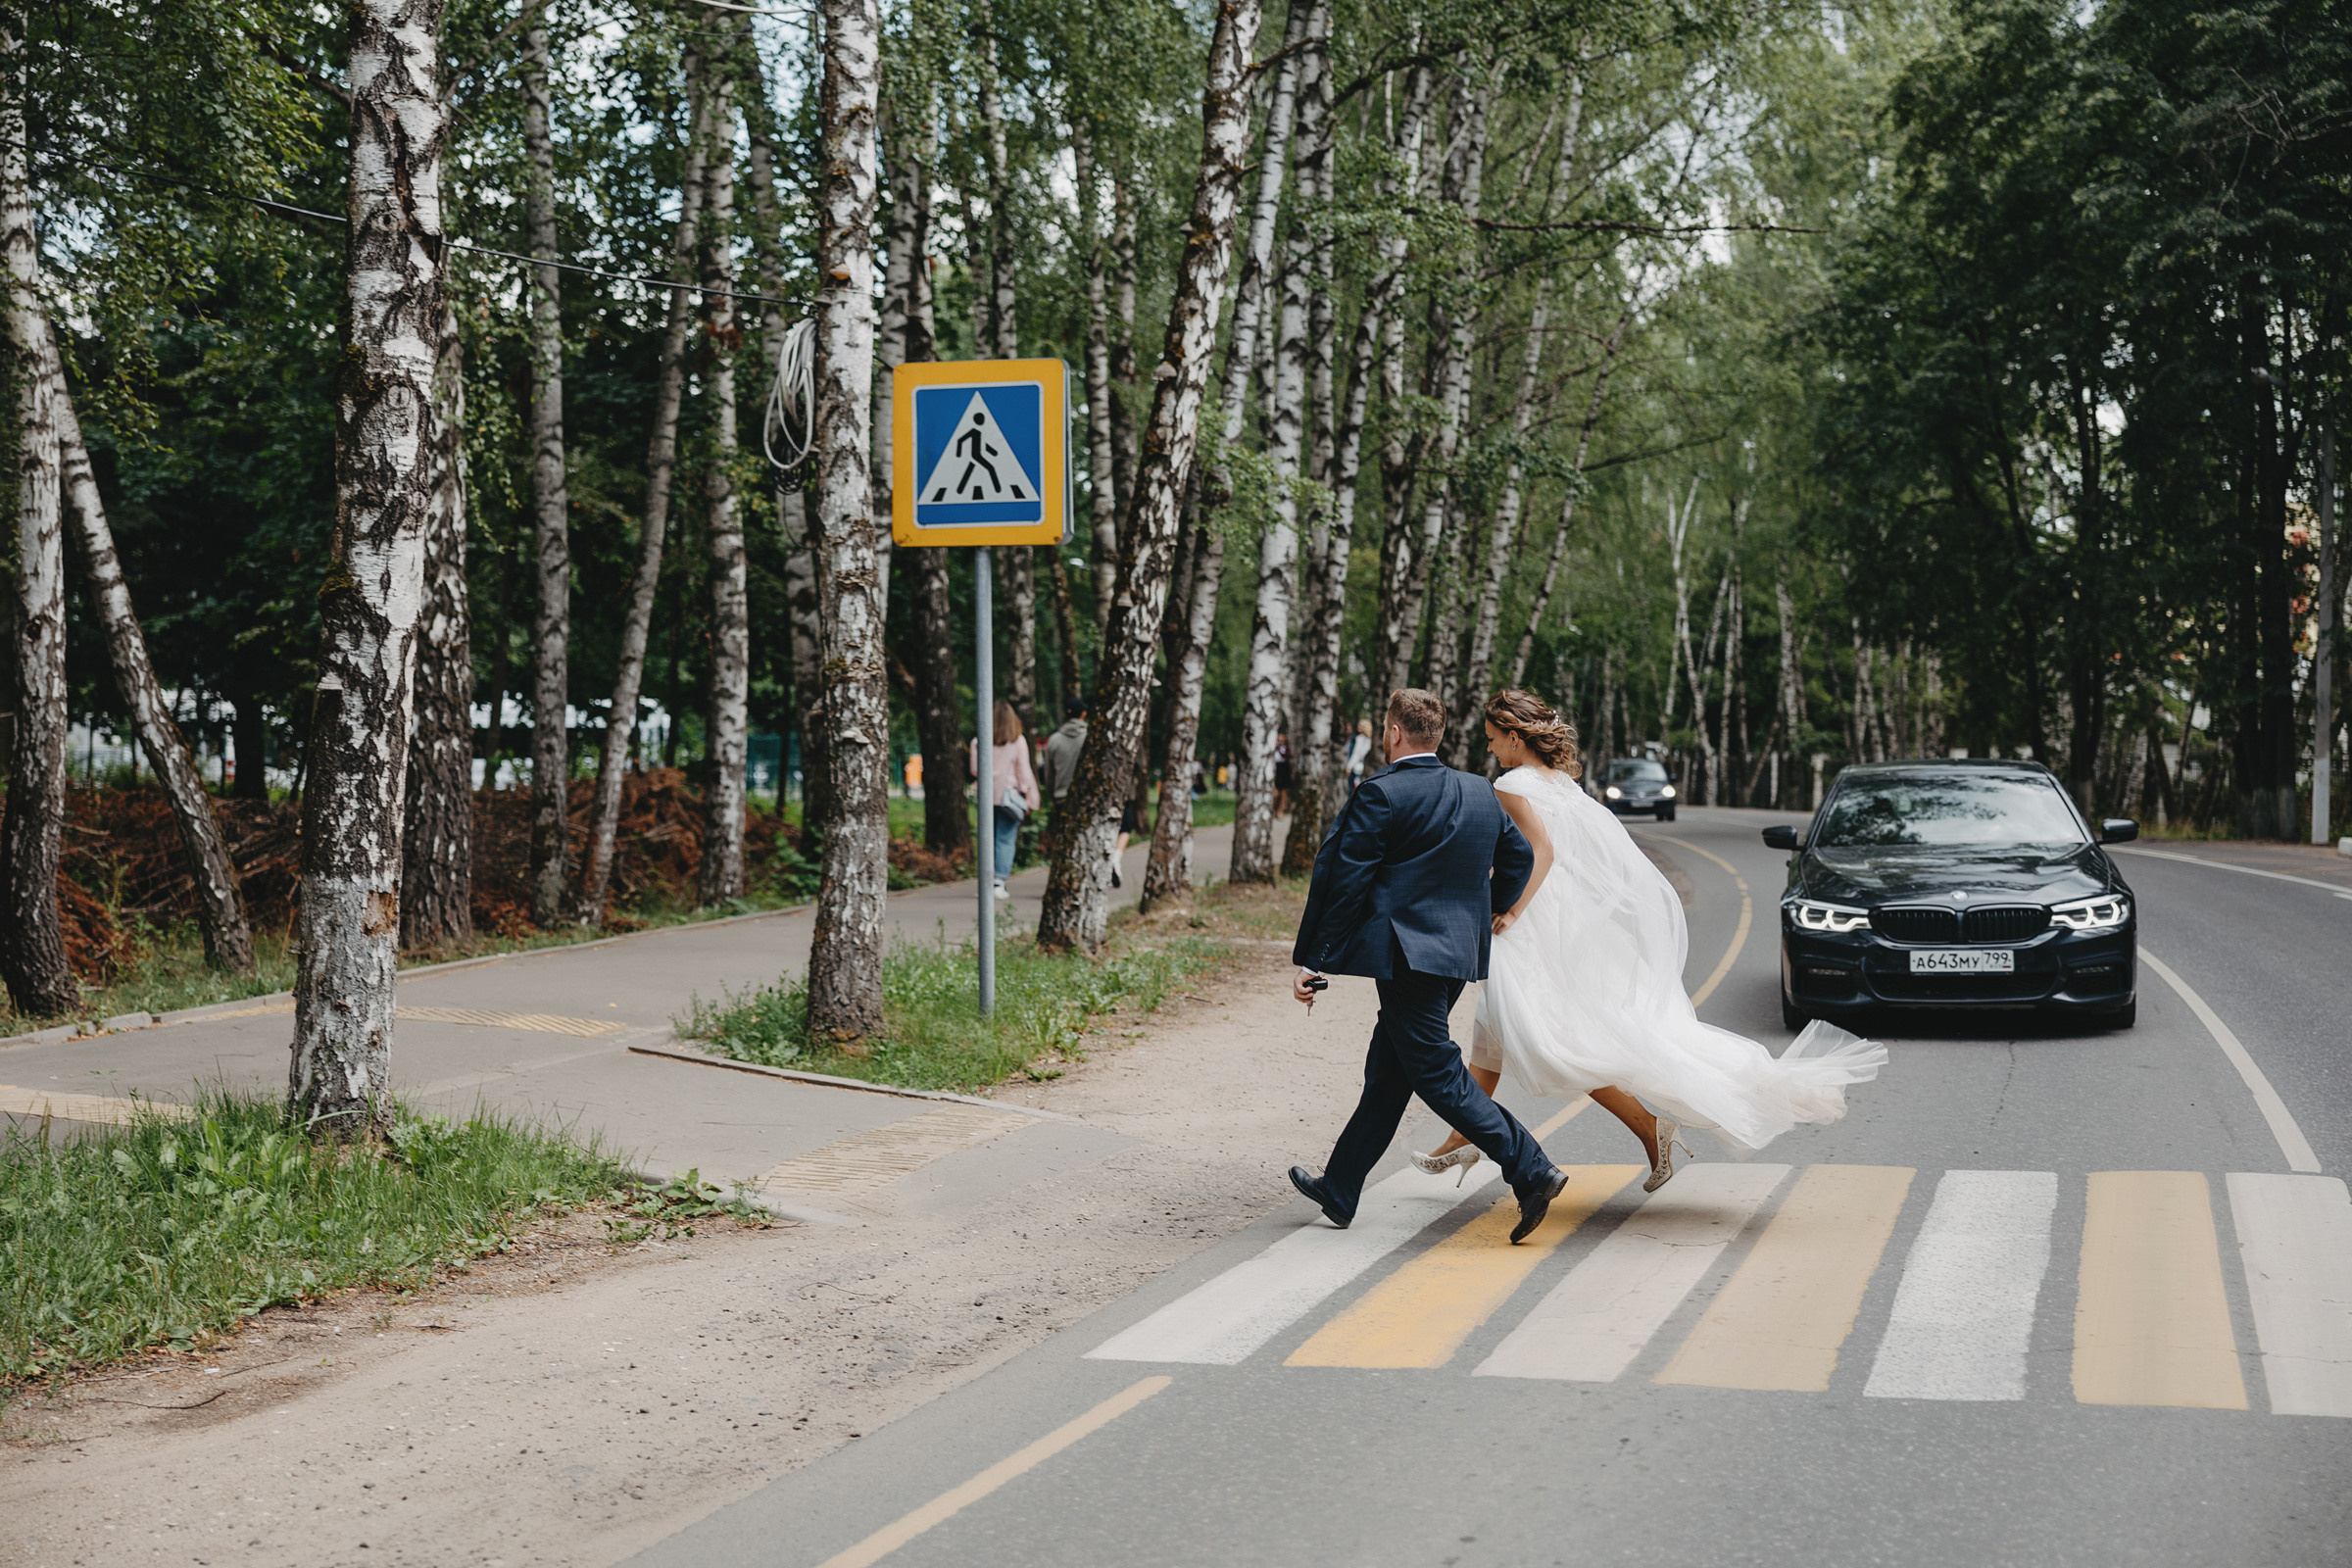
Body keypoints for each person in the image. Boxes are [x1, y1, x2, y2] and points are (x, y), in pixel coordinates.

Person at [1417, 688, 1886, 1192]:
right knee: (1500, 1027)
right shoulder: (1560, 783)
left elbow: (1542, 851)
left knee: (1562, 1041)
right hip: (1564, 918)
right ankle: (1464, 1135)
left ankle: (1645, 1127)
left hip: (1532, 923)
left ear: (1515, 737)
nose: (1489, 749)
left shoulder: (1510, 785)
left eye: (1492, 739)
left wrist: (1512, 909)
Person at [1288, 689, 1575, 1246]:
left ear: (1394, 732)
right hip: (1456, 955)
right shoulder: (1477, 790)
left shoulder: (1380, 793)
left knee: (1437, 1074)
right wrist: (1487, 912)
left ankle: (1531, 1167)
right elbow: (1518, 857)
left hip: (1405, 958)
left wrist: (1314, 961)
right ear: (1437, 735)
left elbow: (1346, 882)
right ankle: (1341, 1187)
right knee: (1390, 1072)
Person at [969, 700, 1040, 901]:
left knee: (987, 839)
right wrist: (1028, 796)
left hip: (985, 796)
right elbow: (1023, 772)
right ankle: (999, 882)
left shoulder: (978, 741)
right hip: (1009, 796)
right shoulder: (1017, 741)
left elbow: (975, 770)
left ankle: (985, 882)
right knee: (1005, 839)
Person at [1344, 719, 1373, 792]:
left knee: (1352, 790)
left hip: (1355, 768)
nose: (1358, 727)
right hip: (1362, 769)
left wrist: (1349, 767)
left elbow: (1356, 754)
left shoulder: (1359, 738)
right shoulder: (1369, 740)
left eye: (1360, 726)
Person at [1272, 732, 1293, 817]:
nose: (1280, 741)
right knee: (1276, 793)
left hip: (1284, 770)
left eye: (1281, 740)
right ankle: (1274, 809)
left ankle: (1280, 810)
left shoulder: (1286, 749)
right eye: (1278, 740)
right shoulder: (1273, 749)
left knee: (1284, 793)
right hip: (1276, 770)